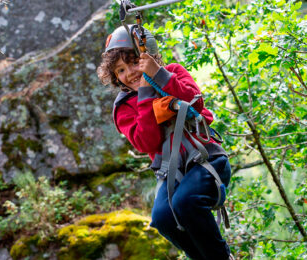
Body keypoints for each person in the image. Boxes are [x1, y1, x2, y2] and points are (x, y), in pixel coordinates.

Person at [97, 25, 233, 260]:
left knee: (186, 202)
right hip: (173, 175)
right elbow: (146, 142)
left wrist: (159, 76)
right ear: (115, 78)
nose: (129, 72)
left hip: (207, 160)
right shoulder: (123, 109)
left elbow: (196, 103)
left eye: (133, 62)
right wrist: (146, 96)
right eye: (120, 70)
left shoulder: (172, 72)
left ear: (148, 57)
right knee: (162, 219)